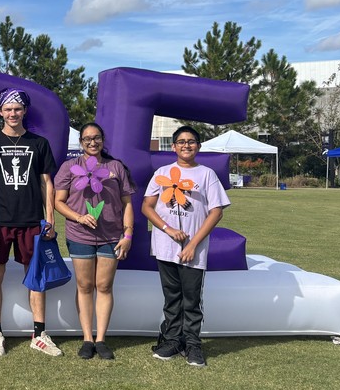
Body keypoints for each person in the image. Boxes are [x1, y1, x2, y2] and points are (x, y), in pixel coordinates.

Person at [142, 125, 230, 368]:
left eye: (191, 141)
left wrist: (192, 243)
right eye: (181, 141)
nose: (186, 145)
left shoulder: (207, 175)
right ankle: (172, 340)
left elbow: (216, 212)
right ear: (173, 146)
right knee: (172, 298)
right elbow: (147, 207)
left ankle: (192, 343)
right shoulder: (162, 172)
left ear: (198, 146)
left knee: (191, 299)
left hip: (194, 249)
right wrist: (168, 229)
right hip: (165, 247)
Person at [0, 88, 60, 357]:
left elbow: (46, 182)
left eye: (17, 109)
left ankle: (39, 333)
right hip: (2, 220)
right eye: (8, 109)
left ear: (24, 111)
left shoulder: (39, 143)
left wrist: (49, 217)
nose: (13, 113)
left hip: (31, 219)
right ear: (1, 112)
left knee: (35, 275)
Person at [54, 122, 136, 360]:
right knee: (85, 286)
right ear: (81, 142)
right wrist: (79, 217)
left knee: (104, 286)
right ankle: (87, 339)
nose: (92, 142)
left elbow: (128, 204)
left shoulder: (116, 167)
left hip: (111, 237)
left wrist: (128, 235)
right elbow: (59, 202)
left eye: (97, 138)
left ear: (102, 140)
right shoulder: (70, 167)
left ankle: (101, 339)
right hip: (80, 236)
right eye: (87, 139)